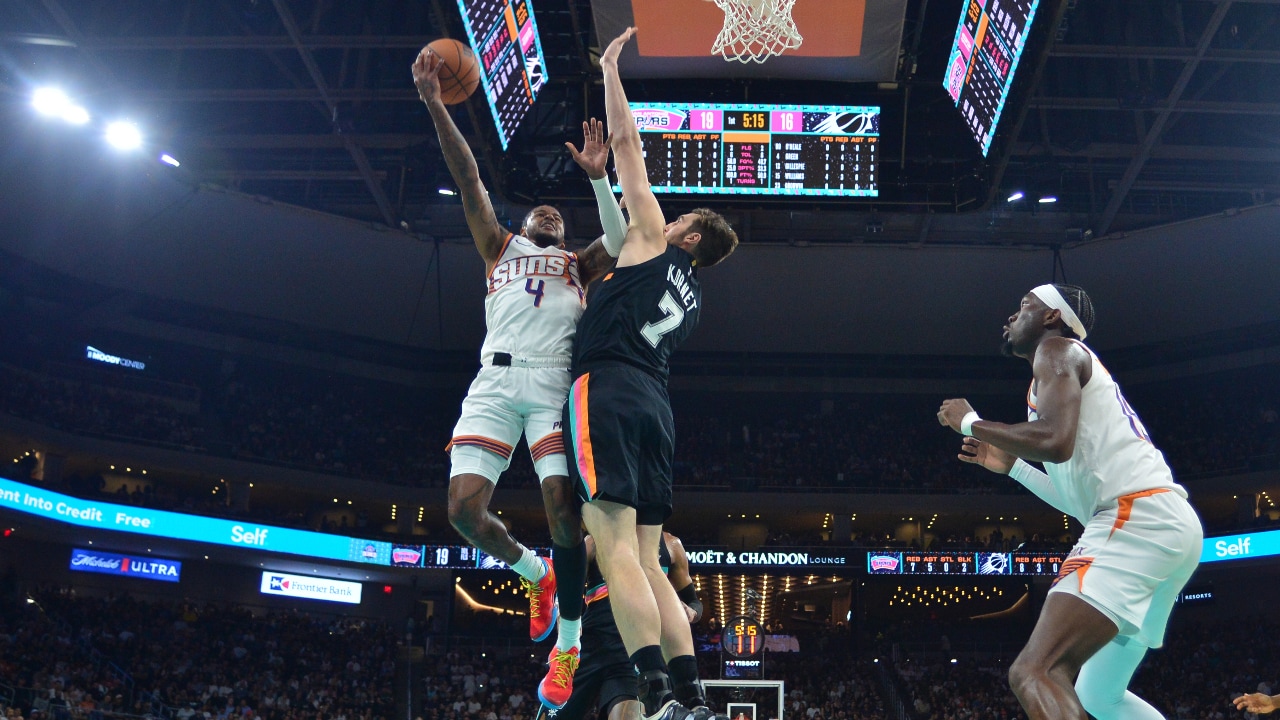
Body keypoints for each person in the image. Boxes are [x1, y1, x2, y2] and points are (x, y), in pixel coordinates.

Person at [411, 49, 624, 645]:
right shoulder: (498, 246)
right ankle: (536, 573)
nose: (549, 212)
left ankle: (569, 641)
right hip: (495, 381)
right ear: (526, 224)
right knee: (461, 511)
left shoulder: (578, 265)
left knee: (562, 508)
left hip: (553, 382)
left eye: (557, 213)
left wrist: (600, 177)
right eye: (541, 210)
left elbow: (620, 236)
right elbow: (468, 178)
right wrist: (435, 103)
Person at [558, 27, 738, 720]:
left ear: (689, 237)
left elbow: (629, 144)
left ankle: (654, 691)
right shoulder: (693, 299)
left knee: (614, 550)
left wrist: (610, 68)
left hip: (607, 387)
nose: (665, 217)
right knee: (647, 558)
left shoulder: (652, 239)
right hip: (656, 407)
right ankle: (692, 698)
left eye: (678, 217)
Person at [937, 284, 1203, 720]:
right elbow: (1077, 498)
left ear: (1051, 317)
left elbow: (1054, 442)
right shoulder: (1056, 376)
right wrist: (1016, 469)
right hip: (1162, 525)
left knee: (1035, 671)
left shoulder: (1057, 350)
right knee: (1100, 697)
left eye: (1024, 306)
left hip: (1136, 519)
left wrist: (970, 421)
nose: (1012, 316)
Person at [535, 532, 705, 720]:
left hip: (632, 652)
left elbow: (694, 602)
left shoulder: (671, 545)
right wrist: (565, 629)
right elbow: (567, 589)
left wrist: (691, 612)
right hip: (590, 646)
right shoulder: (596, 538)